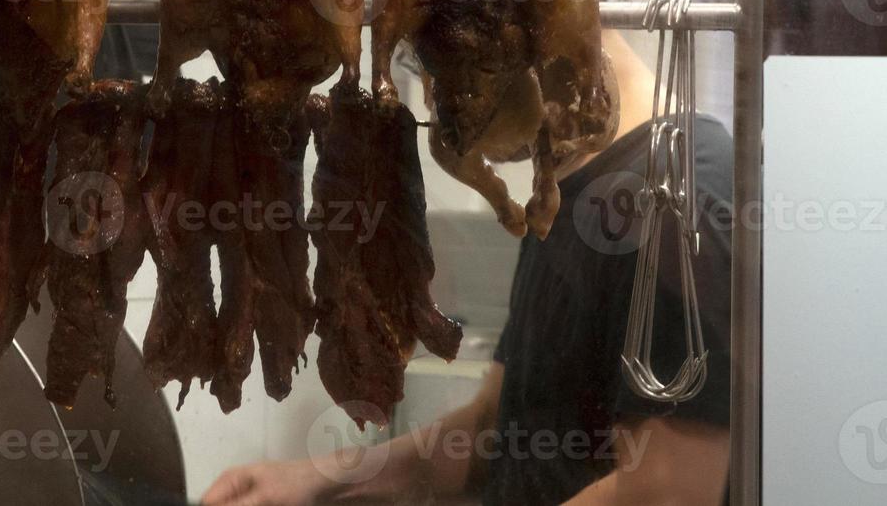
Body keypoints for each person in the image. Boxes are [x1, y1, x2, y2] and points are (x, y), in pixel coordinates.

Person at [203, 25, 735, 506]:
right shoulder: (561, 193)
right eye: (427, 70)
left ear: (544, 25)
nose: (438, 103)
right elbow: (490, 429)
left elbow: (669, 490)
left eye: (445, 67)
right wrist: (319, 479)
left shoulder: (682, 193)